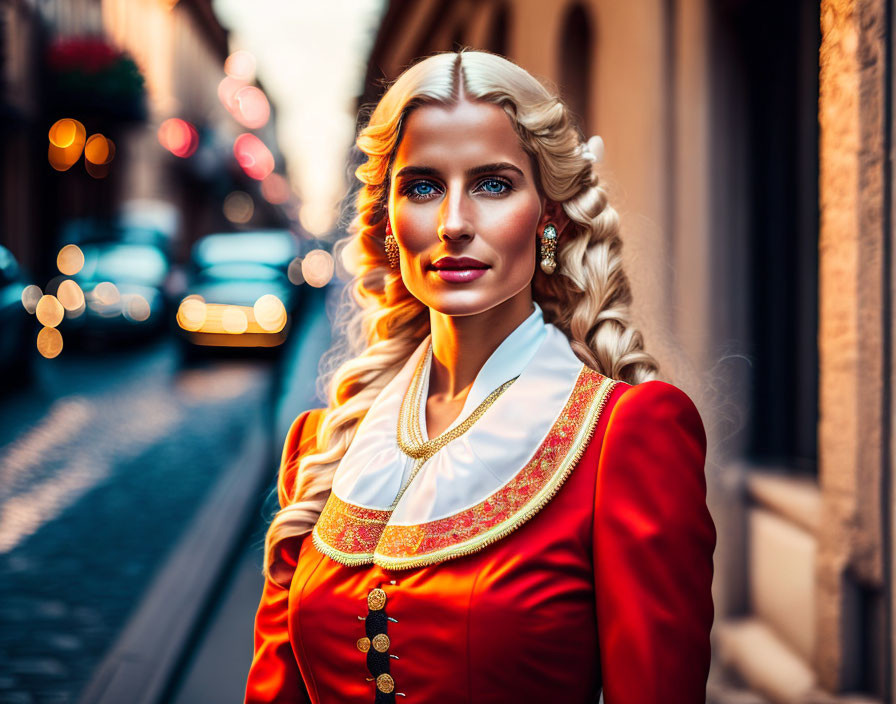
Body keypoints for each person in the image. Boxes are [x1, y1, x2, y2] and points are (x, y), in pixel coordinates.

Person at [244, 49, 716, 704]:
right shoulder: (320, 450)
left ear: (549, 216)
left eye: (493, 184)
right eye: (423, 186)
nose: (455, 223)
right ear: (387, 221)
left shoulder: (627, 437)